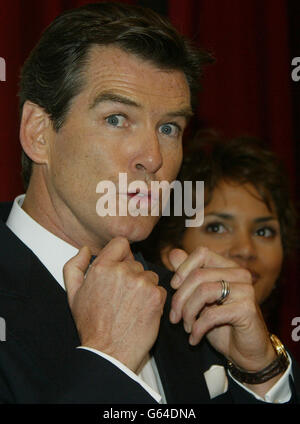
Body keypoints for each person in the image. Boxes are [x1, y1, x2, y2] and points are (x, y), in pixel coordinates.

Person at [0, 2, 299, 404]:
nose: (153, 157)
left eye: (169, 127)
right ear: (39, 133)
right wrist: (108, 358)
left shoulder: (186, 305)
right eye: (117, 119)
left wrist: (258, 373)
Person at [138, 134, 298, 334]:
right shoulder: (142, 348)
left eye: (263, 232)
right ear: (171, 250)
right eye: (217, 228)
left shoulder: (281, 357)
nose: (246, 250)